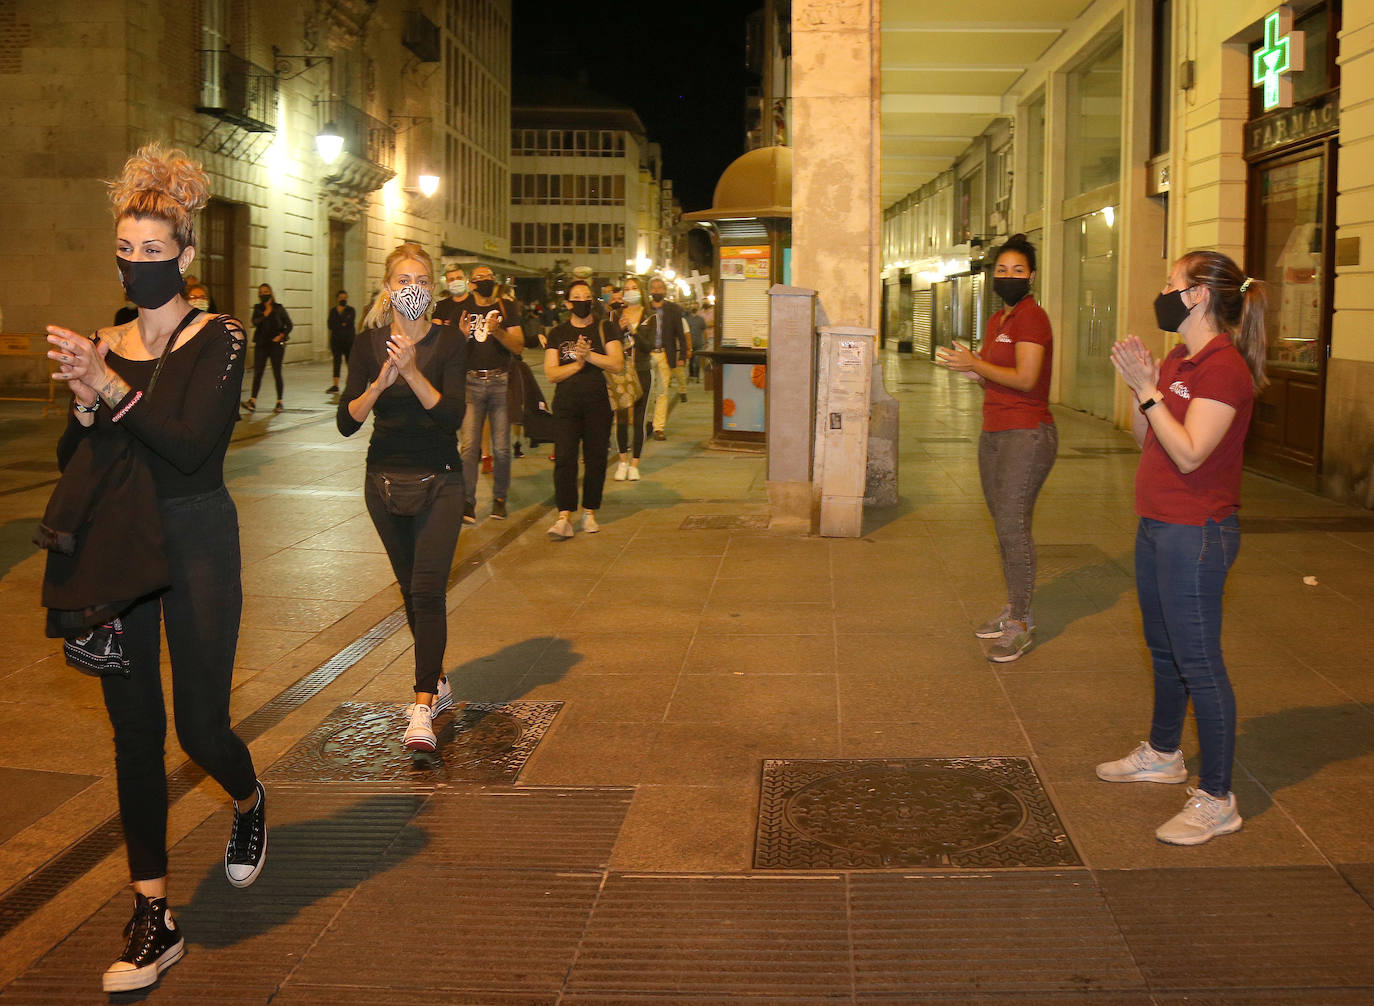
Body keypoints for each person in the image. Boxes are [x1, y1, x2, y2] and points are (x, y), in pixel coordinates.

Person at [44, 143, 265, 993]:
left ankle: (246, 802)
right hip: (120, 548)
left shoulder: (224, 337)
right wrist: (81, 400)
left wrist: (109, 388)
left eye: (151, 252)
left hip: (199, 537)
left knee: (199, 730)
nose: (136, 266)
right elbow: (79, 456)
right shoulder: (104, 339)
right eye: (124, 252)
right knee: (134, 735)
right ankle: (152, 913)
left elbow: (188, 445)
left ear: (185, 256)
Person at [1095, 251, 1267, 847]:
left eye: (1170, 284)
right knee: (1163, 649)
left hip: (1197, 532)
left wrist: (1148, 391)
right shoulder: (1179, 356)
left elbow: (1192, 452)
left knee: (1200, 663)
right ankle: (1165, 753)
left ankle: (1218, 798)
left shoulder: (1225, 369)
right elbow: (1153, 437)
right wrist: (1142, 387)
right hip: (1158, 521)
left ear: (1197, 296)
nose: (1162, 292)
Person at [337, 242, 466, 754]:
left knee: (429, 591)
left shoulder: (449, 343)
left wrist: (411, 371)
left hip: (442, 479)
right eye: (402, 280)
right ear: (387, 289)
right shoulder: (367, 344)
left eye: (420, 280)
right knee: (411, 589)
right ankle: (436, 676)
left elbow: (451, 416)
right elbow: (347, 422)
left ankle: (419, 708)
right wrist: (379, 382)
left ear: (431, 290)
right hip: (384, 482)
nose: (411, 289)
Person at [935, 233, 1056, 663]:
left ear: (1032, 276)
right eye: (1001, 270)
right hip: (995, 430)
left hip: (1027, 432)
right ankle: (1014, 608)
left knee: (1012, 526)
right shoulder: (997, 321)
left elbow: (1026, 379)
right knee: (1004, 526)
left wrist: (977, 364)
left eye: (1017, 270)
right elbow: (996, 375)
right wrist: (974, 371)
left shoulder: (1031, 318)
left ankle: (1021, 623)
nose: (1008, 277)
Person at [543, 279, 623, 540]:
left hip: (598, 405)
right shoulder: (557, 333)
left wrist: (588, 356)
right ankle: (564, 515)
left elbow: (616, 363)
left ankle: (590, 511)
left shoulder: (605, 328)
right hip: (566, 405)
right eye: (576, 297)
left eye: (586, 296)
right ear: (567, 303)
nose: (582, 301)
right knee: (564, 458)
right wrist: (576, 366)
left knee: (596, 458)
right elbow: (551, 373)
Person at [451, 264, 522, 523]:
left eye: (489, 277)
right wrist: (460, 337)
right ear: (471, 284)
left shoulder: (506, 307)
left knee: (502, 448)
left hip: (500, 381)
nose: (485, 281)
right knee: (469, 447)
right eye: (479, 278)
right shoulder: (462, 309)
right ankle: (467, 502)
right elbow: (450, 351)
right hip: (471, 383)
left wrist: (498, 331)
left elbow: (518, 345)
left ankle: (499, 499)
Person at [610, 276, 651, 482]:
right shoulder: (615, 315)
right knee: (622, 418)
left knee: (639, 418)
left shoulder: (649, 315)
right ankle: (622, 461)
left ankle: (635, 463)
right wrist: (619, 328)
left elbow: (648, 345)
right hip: (621, 372)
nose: (630, 291)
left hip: (642, 370)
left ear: (641, 291)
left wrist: (633, 331)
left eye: (634, 288)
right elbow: (609, 342)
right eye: (627, 288)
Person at [644, 277, 692, 439]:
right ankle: (648, 421)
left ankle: (659, 427)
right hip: (647, 354)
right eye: (654, 288)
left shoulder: (673, 309)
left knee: (662, 391)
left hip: (665, 354)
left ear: (665, 290)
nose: (657, 290)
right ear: (650, 291)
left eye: (660, 288)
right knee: (647, 391)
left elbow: (680, 334)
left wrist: (683, 355)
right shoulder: (645, 309)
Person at [244, 283, 291, 414]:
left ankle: (279, 402)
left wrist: (282, 335)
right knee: (258, 372)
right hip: (261, 344)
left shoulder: (279, 308)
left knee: (277, 372)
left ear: (271, 292)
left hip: (276, 345)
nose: (264, 294)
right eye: (261, 292)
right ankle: (252, 401)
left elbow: (289, 325)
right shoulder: (258, 308)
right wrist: (265, 314)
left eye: (266, 291)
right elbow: (255, 322)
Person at [326, 289, 356, 395]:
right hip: (336, 340)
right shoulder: (333, 311)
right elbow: (330, 325)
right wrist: (341, 323)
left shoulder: (351, 310)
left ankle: (352, 384)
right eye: (341, 298)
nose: (343, 299)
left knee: (350, 362)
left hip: (348, 341)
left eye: (344, 298)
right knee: (336, 361)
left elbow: (348, 322)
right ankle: (335, 385)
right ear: (337, 299)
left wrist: (339, 323)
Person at [686, 304, 707, 381]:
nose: (693, 308)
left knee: (697, 360)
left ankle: (697, 375)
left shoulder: (701, 319)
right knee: (691, 360)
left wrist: (706, 341)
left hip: (699, 343)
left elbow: (704, 331)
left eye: (695, 307)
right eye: (692, 306)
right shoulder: (687, 319)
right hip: (690, 343)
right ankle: (691, 375)